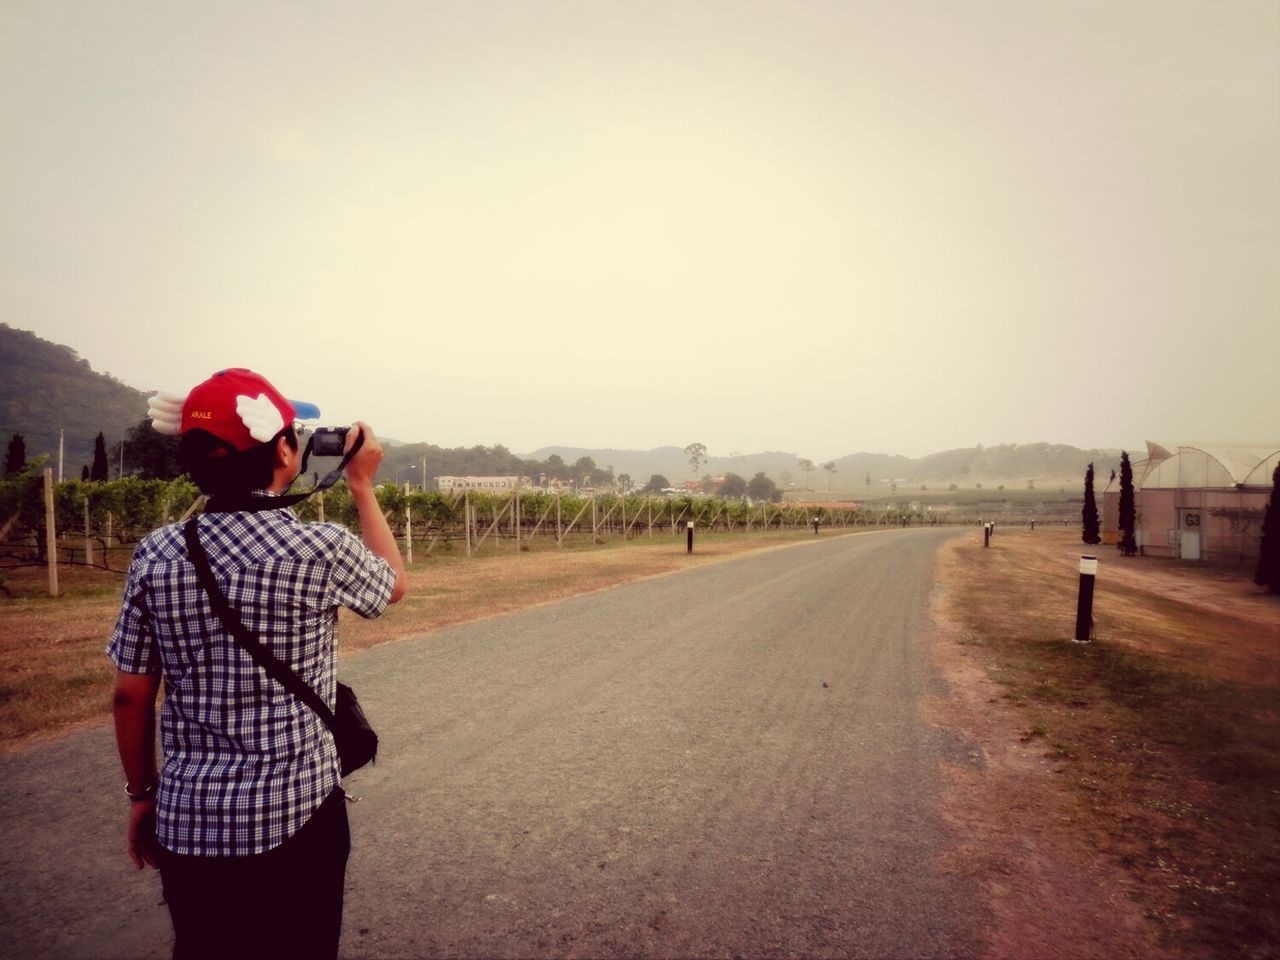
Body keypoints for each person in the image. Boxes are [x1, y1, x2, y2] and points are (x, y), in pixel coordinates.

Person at [108, 368, 407, 960]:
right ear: (285, 451)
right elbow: (392, 586)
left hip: (189, 818)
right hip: (298, 812)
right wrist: (362, 486)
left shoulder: (158, 551)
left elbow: (130, 696)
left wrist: (144, 796)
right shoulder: (320, 547)